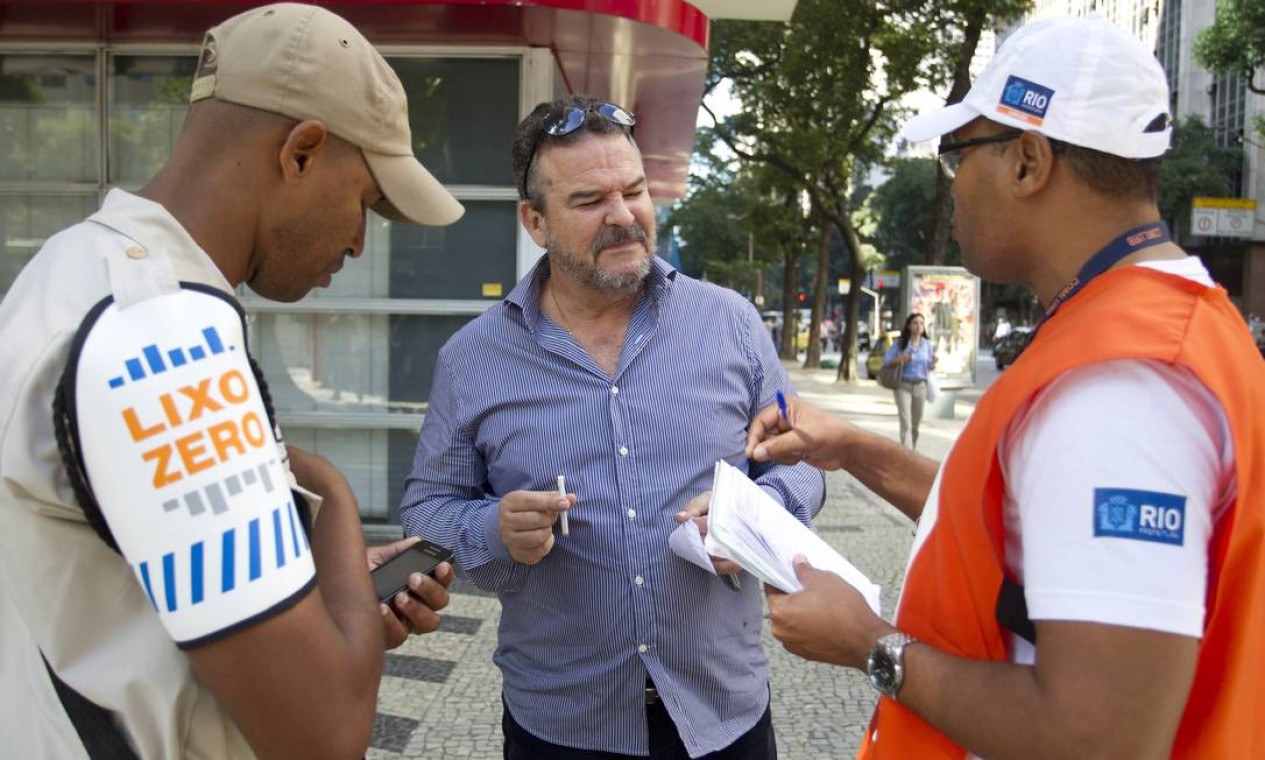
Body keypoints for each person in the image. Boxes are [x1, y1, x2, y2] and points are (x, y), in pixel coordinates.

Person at [745, 15, 1263, 759]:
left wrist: (870, 643)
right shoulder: (1152, 325)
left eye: (958, 153)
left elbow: (1099, 738)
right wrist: (856, 449)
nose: (951, 184)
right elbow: (1017, 526)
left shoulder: (1119, 388)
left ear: (1027, 161)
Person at [0, 5, 463, 757]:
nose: (355, 241)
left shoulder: (72, 268)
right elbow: (322, 736)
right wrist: (332, 496)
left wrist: (325, 611)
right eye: (365, 203)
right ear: (302, 152)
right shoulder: (165, 340)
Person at [399, 95, 826, 759]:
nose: (623, 216)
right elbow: (426, 510)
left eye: (633, 191)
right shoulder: (470, 360)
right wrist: (492, 529)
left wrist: (755, 510)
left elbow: (799, 460)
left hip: (722, 717)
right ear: (534, 221)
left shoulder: (731, 323)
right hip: (562, 726)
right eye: (590, 200)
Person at [881, 313, 936, 449]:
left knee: (916, 424)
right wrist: (900, 359)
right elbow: (886, 360)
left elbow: (928, 365)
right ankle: (907, 454)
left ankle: (912, 450)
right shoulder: (900, 343)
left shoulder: (927, 345)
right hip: (903, 385)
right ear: (909, 326)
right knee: (906, 423)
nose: (919, 326)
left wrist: (933, 363)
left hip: (920, 386)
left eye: (921, 323)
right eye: (915, 323)